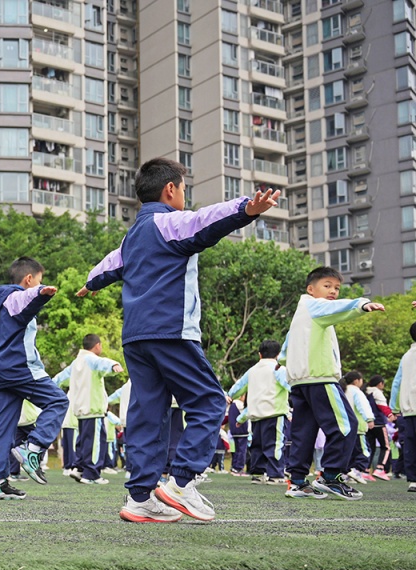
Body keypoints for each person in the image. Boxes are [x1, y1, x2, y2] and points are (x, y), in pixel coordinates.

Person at [80, 157, 279, 522]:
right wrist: (246, 208)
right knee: (207, 402)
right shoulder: (169, 222)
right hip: (171, 331)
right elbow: (206, 220)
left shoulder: (132, 236)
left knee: (148, 415)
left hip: (135, 338)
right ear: (170, 190)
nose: (185, 196)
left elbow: (109, 265)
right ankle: (181, 483)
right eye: (184, 189)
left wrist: (90, 283)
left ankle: (140, 497)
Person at [280, 266, 385, 499]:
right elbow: (337, 307)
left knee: (303, 432)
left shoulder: (301, 314)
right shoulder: (315, 306)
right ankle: (332, 476)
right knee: (346, 425)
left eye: (336, 288)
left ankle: (297, 481)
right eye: (327, 286)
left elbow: (286, 347)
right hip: (320, 378)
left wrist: (281, 361)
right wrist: (362, 304)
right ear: (310, 289)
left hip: (300, 383)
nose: (333, 292)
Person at [0, 257, 68, 499]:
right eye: (39, 279)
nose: (41, 283)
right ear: (29, 279)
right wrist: (41, 292)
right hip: (18, 368)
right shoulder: (16, 296)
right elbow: (26, 298)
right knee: (58, 401)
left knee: (2, 426)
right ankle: (34, 448)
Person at [55, 334, 123, 485]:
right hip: (93, 409)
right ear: (97, 345)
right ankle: (91, 474)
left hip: (80, 409)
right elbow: (102, 363)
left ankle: (79, 468)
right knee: (95, 443)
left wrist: (49, 385)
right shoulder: (91, 359)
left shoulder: (76, 362)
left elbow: (60, 378)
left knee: (84, 441)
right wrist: (114, 364)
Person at [227, 339, 290, 484]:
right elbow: (289, 385)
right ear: (278, 354)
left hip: (255, 416)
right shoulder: (278, 369)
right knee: (275, 445)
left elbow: (239, 386)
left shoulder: (252, 370)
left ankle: (257, 473)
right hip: (275, 414)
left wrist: (230, 396)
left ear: (259, 355)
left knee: (257, 446)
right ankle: (275, 475)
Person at [390, 322, 416, 490]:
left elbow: (396, 383)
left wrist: (394, 408)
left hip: (408, 408)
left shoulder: (406, 355)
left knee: (411, 444)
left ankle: (413, 480)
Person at [341, 371, 375, 484]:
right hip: (358, 427)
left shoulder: (342, 390)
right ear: (357, 381)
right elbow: (363, 406)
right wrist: (369, 419)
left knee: (349, 452)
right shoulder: (356, 391)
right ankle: (357, 471)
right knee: (364, 451)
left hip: (345, 427)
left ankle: (347, 474)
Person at [364, 375, 393, 479]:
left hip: (368, 423)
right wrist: (390, 415)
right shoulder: (377, 392)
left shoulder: (365, 392)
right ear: (380, 383)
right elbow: (382, 406)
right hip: (379, 423)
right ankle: (380, 468)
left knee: (370, 447)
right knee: (386, 447)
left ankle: (365, 470)